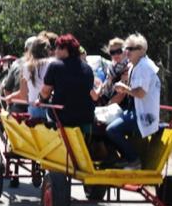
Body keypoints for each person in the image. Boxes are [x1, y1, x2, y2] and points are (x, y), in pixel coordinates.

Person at [105, 33, 161, 170]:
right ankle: (120, 158)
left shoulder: (143, 67)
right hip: (136, 111)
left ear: (141, 50)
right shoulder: (137, 65)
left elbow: (141, 93)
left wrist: (125, 89)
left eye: (130, 49)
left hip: (143, 115)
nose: (126, 52)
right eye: (126, 48)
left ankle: (133, 159)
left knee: (111, 130)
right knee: (107, 122)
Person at [38, 34, 95, 134]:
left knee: (47, 111)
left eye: (58, 48)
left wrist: (41, 100)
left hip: (64, 118)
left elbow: (45, 92)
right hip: (86, 117)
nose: (55, 51)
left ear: (66, 49)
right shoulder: (88, 68)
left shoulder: (55, 66)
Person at [6, 37, 54, 119]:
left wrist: (11, 97)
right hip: (52, 110)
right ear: (48, 50)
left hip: (34, 109)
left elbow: (23, 95)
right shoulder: (54, 63)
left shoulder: (25, 66)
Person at [0, 36, 36, 113]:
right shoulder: (47, 63)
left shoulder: (17, 64)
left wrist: (9, 104)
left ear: (25, 49)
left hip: (20, 108)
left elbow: (7, 89)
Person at [95, 37, 130, 106]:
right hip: (107, 99)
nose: (115, 55)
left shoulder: (128, 67)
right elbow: (107, 83)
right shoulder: (111, 66)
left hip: (121, 105)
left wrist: (107, 107)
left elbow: (122, 94)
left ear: (125, 51)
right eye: (112, 52)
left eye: (119, 51)